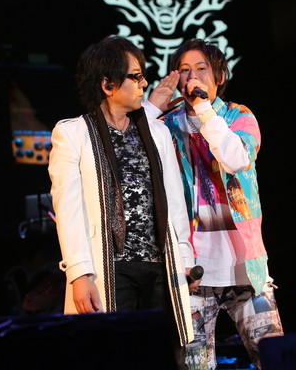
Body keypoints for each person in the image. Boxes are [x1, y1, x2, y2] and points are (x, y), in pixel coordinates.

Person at [48, 36, 194, 368]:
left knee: (164, 357)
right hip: (110, 267)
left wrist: (184, 259)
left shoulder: (156, 132)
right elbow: (68, 209)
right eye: (136, 76)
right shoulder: (72, 133)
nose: (144, 83)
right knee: (112, 356)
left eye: (143, 76)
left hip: (159, 266)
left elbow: (174, 201)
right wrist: (79, 274)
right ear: (108, 84)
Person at [145, 39, 284, 370]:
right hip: (192, 270)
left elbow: (237, 159)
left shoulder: (239, 116)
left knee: (275, 360)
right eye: (184, 70)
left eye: (201, 68)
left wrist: (204, 110)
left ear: (220, 76)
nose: (192, 76)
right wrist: (151, 108)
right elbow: (133, 150)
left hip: (246, 269)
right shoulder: (167, 125)